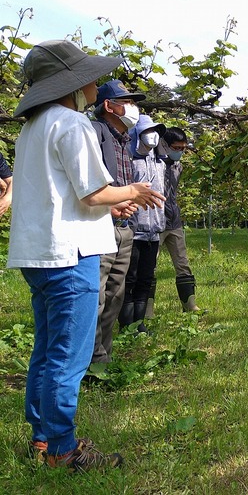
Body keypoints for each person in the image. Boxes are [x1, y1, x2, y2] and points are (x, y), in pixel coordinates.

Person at [8, 40, 164, 471]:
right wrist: (131, 190)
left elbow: (59, 193)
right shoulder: (72, 124)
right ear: (71, 84)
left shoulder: (32, 128)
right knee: (68, 357)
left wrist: (110, 205)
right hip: (70, 255)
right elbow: (93, 189)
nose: (94, 84)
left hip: (38, 253)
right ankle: (63, 449)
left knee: (46, 349)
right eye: (88, 77)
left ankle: (41, 439)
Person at [90, 79, 149, 365]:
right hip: (101, 226)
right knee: (97, 295)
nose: (132, 107)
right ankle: (92, 358)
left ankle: (104, 353)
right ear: (108, 106)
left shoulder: (124, 141)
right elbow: (89, 184)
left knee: (115, 293)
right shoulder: (96, 133)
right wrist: (110, 206)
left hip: (124, 228)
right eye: (126, 101)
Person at [118, 115, 166, 333]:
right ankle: (126, 325)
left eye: (156, 130)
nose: (153, 135)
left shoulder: (160, 162)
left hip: (154, 231)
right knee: (130, 278)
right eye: (148, 130)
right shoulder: (129, 159)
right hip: (133, 229)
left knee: (146, 278)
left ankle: (140, 324)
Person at [146, 127, 201, 315]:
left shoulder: (178, 166)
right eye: (177, 147)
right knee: (150, 266)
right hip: (155, 222)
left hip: (174, 221)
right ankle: (147, 309)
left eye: (184, 148)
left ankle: (190, 305)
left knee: (182, 262)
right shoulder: (153, 163)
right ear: (165, 145)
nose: (180, 152)